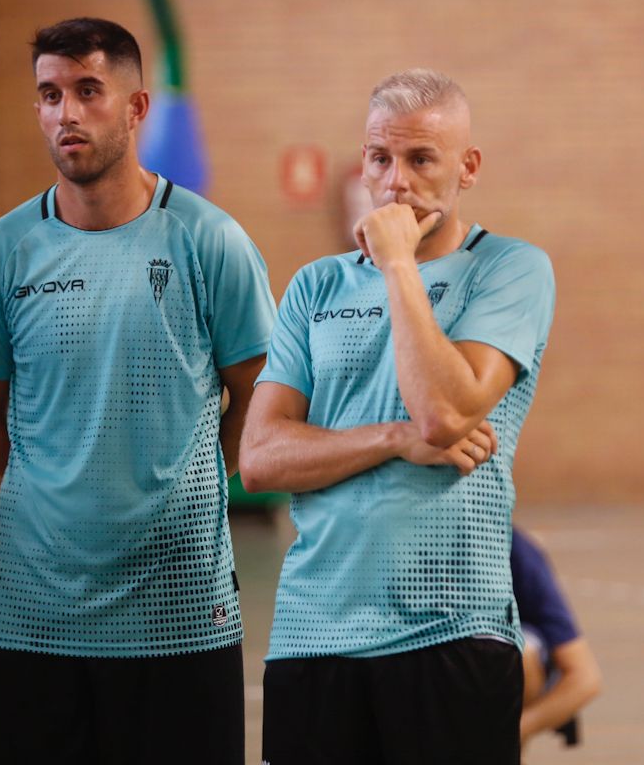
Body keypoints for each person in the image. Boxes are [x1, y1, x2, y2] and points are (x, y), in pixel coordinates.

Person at [0, 17, 276, 765]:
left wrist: (181, 482)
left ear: (136, 108)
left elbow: (260, 399)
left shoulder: (209, 241)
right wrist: (63, 488)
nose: (67, 113)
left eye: (89, 90)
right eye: (50, 94)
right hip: (32, 613)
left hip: (180, 610)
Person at [239, 68, 556, 765]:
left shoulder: (509, 270)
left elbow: (443, 411)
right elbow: (260, 457)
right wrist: (391, 438)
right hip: (313, 634)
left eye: (420, 160)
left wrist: (398, 265)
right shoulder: (316, 286)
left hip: (452, 632)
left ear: (467, 168)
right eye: (380, 159)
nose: (395, 181)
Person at [511, 526, 602, 749]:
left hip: (501, 669)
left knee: (518, 653)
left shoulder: (515, 550)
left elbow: (586, 679)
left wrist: (514, 732)